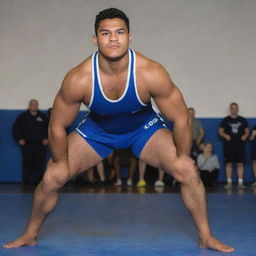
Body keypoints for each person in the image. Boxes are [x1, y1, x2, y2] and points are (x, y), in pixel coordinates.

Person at [3, 8, 234, 252]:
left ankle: (206, 236)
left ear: (129, 37)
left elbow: (181, 118)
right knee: (52, 177)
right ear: (95, 39)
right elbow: (57, 125)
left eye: (119, 32)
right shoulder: (79, 78)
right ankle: (30, 234)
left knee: (187, 170)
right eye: (106, 33)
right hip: (97, 131)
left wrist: (182, 156)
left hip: (144, 129)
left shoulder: (150, 72)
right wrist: (60, 161)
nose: (113, 38)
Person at [12, 99, 49, 186]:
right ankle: (26, 182)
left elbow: (50, 129)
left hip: (40, 145)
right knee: (27, 164)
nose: (33, 106)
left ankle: (38, 182)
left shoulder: (43, 117)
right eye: (32, 104)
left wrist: (47, 139)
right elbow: (15, 129)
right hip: (27, 145)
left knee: (39, 164)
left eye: (35, 104)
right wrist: (19, 139)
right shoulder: (23, 116)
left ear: (37, 106)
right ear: (29, 106)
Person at [219, 103, 249, 189]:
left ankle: (240, 182)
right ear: (230, 109)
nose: (234, 110)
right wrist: (225, 135)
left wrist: (245, 136)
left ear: (238, 109)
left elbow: (247, 131)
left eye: (235, 108)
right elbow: (220, 131)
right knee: (229, 164)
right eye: (232, 108)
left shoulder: (242, 120)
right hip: (229, 145)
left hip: (240, 145)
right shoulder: (225, 120)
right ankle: (229, 183)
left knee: (240, 164)